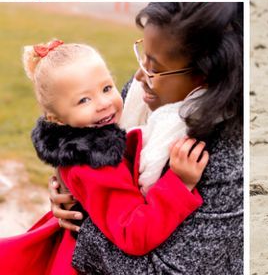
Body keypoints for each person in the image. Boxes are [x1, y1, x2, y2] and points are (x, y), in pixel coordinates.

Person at [50, 2, 244, 275]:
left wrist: (85, 218)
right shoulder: (147, 90)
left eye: (153, 67)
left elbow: (166, 269)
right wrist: (70, 186)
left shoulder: (227, 156)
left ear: (208, 76)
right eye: (143, 57)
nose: (140, 75)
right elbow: (84, 135)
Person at [0, 37, 209, 271]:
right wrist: (179, 184)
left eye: (107, 88)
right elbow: (133, 234)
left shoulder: (83, 148)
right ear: (57, 120)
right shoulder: (97, 165)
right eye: (83, 100)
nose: (103, 103)